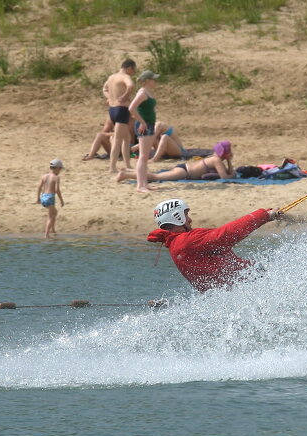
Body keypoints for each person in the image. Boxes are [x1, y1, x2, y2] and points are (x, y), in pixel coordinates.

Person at [147, 198, 284, 292]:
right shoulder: (186, 242)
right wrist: (264, 215)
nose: (190, 219)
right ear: (177, 217)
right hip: (243, 287)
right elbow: (224, 235)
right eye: (186, 214)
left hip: (238, 287)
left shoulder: (176, 242)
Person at [117, 140, 233, 183]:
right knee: (155, 177)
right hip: (184, 172)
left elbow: (227, 173)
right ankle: (126, 175)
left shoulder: (214, 158)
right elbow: (225, 177)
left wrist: (228, 162)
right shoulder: (216, 160)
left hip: (184, 169)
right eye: (229, 151)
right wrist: (229, 162)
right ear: (225, 152)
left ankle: (129, 170)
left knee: (157, 175)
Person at [128, 70, 162, 193]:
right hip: (144, 125)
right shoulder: (142, 93)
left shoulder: (148, 92)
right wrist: (142, 122)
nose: (155, 81)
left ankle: (144, 184)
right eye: (154, 79)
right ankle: (140, 185)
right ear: (147, 80)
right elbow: (131, 108)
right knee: (142, 156)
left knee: (145, 156)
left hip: (149, 124)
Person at [104, 59, 136, 178]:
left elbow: (105, 89)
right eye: (133, 70)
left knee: (126, 137)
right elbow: (131, 86)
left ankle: (127, 164)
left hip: (112, 109)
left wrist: (109, 97)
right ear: (129, 68)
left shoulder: (111, 77)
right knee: (117, 139)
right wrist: (125, 96)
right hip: (121, 109)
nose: (132, 73)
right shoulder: (124, 77)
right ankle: (112, 167)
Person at [37, 159, 65, 239]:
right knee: (50, 216)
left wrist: (38, 198)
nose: (60, 171)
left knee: (55, 212)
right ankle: (46, 235)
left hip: (43, 197)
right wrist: (61, 200)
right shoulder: (56, 177)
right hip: (50, 197)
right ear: (56, 168)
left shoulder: (44, 176)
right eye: (60, 169)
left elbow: (39, 187)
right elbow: (57, 190)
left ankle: (53, 229)